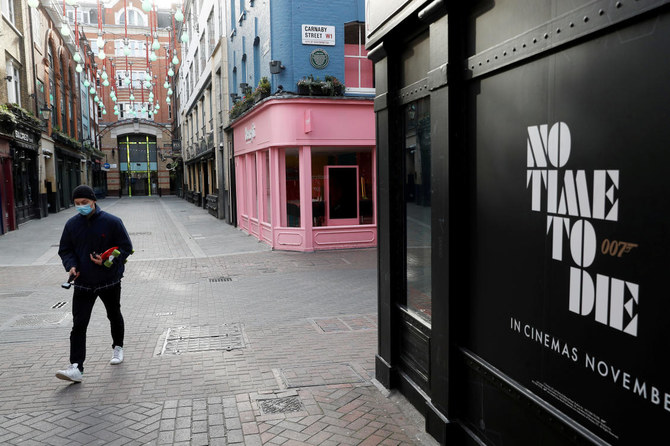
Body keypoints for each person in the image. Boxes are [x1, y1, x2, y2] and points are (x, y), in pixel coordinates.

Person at [55, 185, 133, 383]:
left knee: (113, 314)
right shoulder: (71, 225)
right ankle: (76, 367)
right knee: (79, 324)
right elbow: (65, 250)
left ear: (94, 201)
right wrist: (71, 266)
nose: (81, 206)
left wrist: (107, 261)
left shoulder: (112, 222)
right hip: (83, 282)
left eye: (85, 202)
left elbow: (126, 248)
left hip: (109, 281)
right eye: (77, 203)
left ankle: (118, 347)